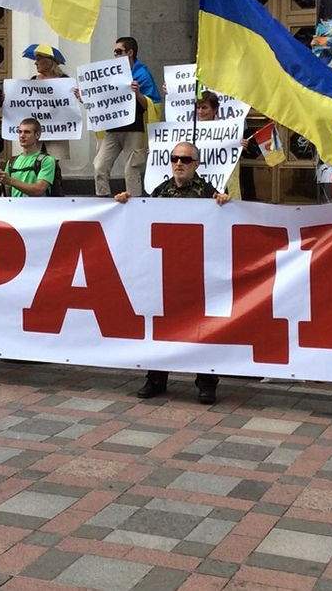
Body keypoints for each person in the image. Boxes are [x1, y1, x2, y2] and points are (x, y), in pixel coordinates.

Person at [115, 140, 230, 404]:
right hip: (165, 274)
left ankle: (206, 382)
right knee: (161, 327)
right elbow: (142, 218)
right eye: (175, 158)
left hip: (197, 273)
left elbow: (223, 221)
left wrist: (225, 203)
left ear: (196, 164)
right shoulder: (160, 191)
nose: (179, 164)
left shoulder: (208, 192)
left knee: (202, 329)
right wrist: (125, 203)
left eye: (185, 160)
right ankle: (156, 378)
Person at [92, 36, 161, 197]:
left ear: (130, 52)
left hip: (134, 130)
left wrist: (137, 94)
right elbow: (100, 98)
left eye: (119, 51)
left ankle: (134, 203)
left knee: (131, 169)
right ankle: (102, 201)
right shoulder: (109, 74)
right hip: (113, 129)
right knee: (99, 166)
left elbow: (151, 104)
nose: (115, 55)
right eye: (115, 52)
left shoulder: (142, 74)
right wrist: (86, 97)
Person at [0, 117, 57, 197]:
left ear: (37, 135)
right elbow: (6, 191)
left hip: (37, 205)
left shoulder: (47, 160)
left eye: (27, 132)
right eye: (20, 132)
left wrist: (10, 181)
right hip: (15, 205)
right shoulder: (12, 161)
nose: (22, 135)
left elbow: (39, 190)